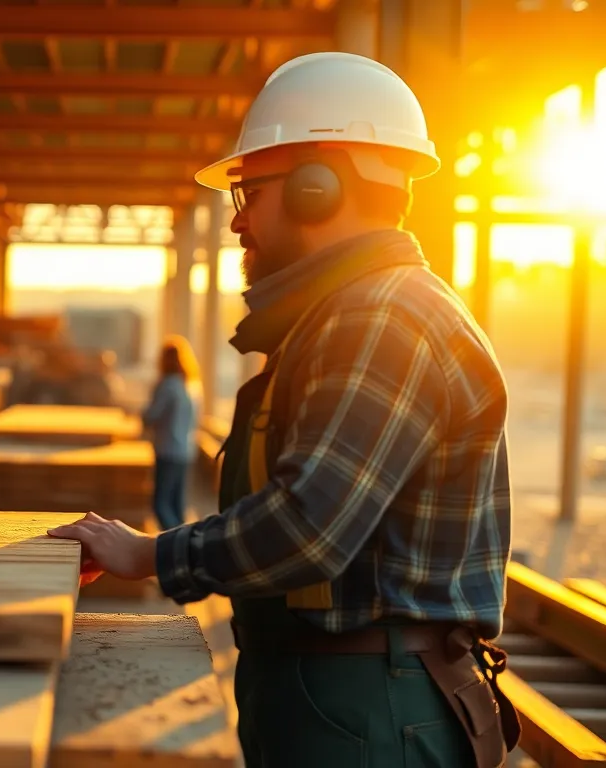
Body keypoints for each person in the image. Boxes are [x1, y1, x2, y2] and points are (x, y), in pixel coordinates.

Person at [47, 52, 519, 768]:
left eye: (250, 194)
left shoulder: (385, 319)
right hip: (339, 689)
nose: (237, 224)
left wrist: (150, 554)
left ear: (316, 188)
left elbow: (310, 526)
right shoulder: (347, 316)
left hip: (368, 704)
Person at [141, 336, 201, 530]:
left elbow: (151, 415)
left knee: (161, 504)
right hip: (186, 451)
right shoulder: (191, 386)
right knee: (177, 505)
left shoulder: (167, 385)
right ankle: (185, 545)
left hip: (167, 449)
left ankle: (173, 545)